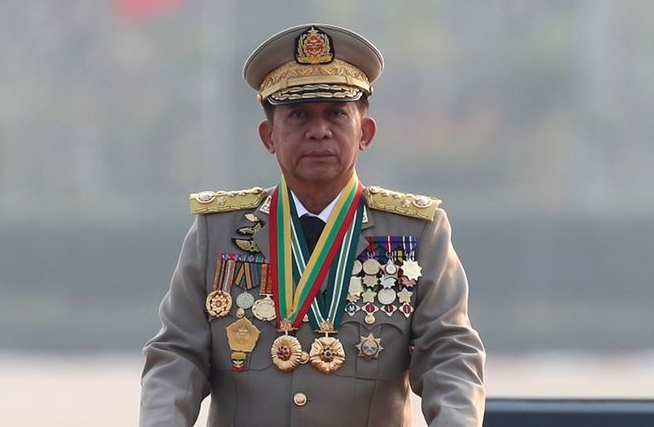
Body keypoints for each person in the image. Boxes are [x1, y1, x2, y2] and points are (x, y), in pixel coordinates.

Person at [141, 23, 485, 426]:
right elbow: (177, 356)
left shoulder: (417, 234)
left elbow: (449, 355)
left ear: (365, 132)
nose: (319, 131)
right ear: (268, 136)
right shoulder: (217, 233)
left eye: (336, 114)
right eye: (299, 115)